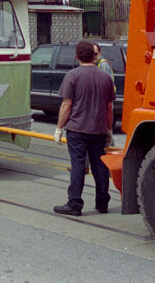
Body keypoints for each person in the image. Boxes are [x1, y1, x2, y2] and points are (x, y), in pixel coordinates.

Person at [53, 40, 116, 216]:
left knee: (78, 166)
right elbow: (109, 107)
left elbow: (67, 104)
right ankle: (102, 202)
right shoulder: (105, 78)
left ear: (77, 56)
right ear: (94, 56)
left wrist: (59, 128)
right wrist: (109, 130)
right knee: (99, 166)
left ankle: (74, 203)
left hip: (77, 129)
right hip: (99, 130)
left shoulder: (72, 75)